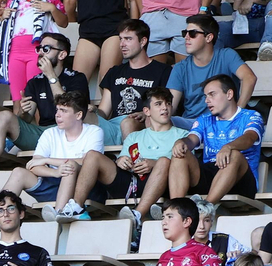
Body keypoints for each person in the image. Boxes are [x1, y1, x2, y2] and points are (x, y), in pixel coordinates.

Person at [0, 31, 87, 191]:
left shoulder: (76, 78)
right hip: (42, 134)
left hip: (67, 134)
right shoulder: (35, 82)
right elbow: (27, 118)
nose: (41, 52)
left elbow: (69, 109)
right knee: (3, 116)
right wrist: (24, 111)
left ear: (62, 54)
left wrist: (51, 75)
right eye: (39, 48)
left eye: (46, 48)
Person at [0, 88, 105, 223]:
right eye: (57, 110)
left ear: (78, 115)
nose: (58, 115)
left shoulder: (94, 131)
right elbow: (33, 166)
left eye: (64, 111)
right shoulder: (50, 133)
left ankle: (59, 213)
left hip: (82, 190)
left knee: (69, 166)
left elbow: (88, 162)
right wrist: (55, 173)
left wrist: (48, 160)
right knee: (19, 172)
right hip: (55, 182)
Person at [77, 87, 192, 224]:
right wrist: (121, 160)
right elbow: (124, 156)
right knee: (92, 155)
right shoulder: (134, 136)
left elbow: (183, 167)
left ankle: (137, 214)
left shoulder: (182, 135)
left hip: (161, 184)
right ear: (146, 111)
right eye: (158, 104)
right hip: (131, 181)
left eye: (168, 103)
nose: (164, 108)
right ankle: (76, 207)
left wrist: (153, 164)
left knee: (163, 161)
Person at [178, 74, 263, 206]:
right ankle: (176, 208)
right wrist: (182, 143)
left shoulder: (251, 116)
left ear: (229, 94)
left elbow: (249, 137)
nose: (207, 100)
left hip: (241, 179)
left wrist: (228, 147)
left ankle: (205, 208)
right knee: (180, 154)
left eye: (212, 94)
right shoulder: (204, 119)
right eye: (206, 96)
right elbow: (192, 139)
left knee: (233, 154)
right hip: (211, 175)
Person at [94, 19, 167, 146]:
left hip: (142, 124)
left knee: (128, 123)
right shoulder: (115, 72)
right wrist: (90, 112)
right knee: (79, 116)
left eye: (128, 39)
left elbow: (167, 106)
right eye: (121, 39)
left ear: (143, 41)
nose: (122, 44)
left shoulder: (162, 71)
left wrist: (148, 114)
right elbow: (104, 111)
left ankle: (130, 163)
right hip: (114, 126)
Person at [167, 14, 254, 120]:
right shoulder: (180, 68)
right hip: (191, 124)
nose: (186, 37)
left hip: (221, 121)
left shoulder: (226, 56)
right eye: (185, 33)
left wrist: (237, 113)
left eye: (192, 33)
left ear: (208, 37)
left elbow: (249, 78)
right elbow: (170, 106)